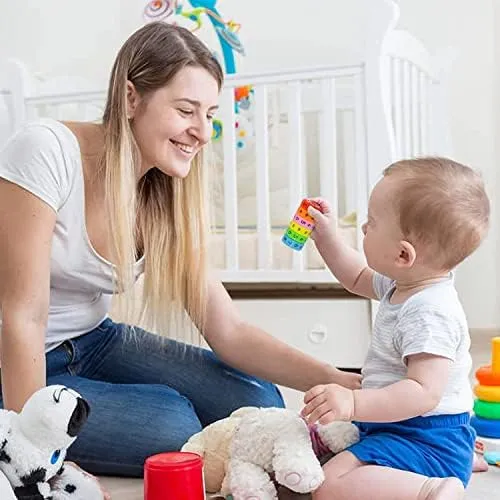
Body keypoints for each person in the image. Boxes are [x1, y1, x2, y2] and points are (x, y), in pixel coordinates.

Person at [0, 21, 361, 485]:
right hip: (18, 356)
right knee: (175, 424)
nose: (203, 132)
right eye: (187, 110)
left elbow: (228, 330)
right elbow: (22, 318)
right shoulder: (46, 152)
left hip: (95, 339)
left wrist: (342, 381)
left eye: (209, 114)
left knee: (262, 402)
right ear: (132, 98)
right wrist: (35, 447)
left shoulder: (163, 192)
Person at [301, 157, 490, 500]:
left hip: (425, 435)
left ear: (403, 255)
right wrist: (326, 237)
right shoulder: (404, 282)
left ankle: (432, 489)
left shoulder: (429, 312)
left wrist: (355, 403)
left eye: (371, 223)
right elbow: (357, 277)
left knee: (329, 483)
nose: (363, 230)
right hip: (404, 426)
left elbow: (423, 392)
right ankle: (449, 465)